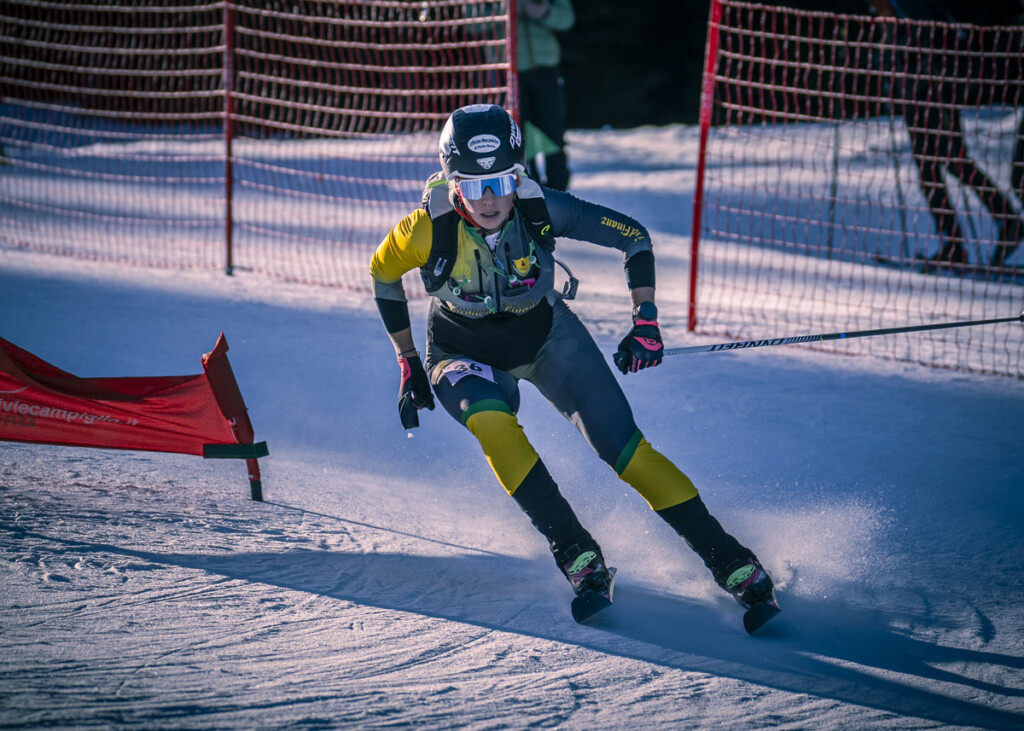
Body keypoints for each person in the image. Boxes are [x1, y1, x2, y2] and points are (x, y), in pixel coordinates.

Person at [369, 103, 776, 614]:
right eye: (474, 187)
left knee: (624, 449)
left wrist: (645, 319)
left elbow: (633, 237)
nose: (491, 200)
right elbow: (383, 273)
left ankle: (731, 560)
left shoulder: (544, 206)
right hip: (461, 349)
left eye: (502, 181)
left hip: (546, 334)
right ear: (453, 183)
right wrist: (408, 361)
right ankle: (577, 553)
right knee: (493, 425)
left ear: (518, 174)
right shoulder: (424, 229)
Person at [868, 0, 1023, 270]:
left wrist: (920, 77)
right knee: (932, 170)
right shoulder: (897, 11)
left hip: (933, 95)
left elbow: (932, 45)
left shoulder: (912, 8)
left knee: (954, 161)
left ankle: (1004, 222)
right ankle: (957, 243)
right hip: (917, 97)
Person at [517, 0, 574, 191]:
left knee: (553, 131)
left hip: (546, 69)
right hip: (508, 73)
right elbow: (472, 23)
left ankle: (559, 192)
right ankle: (525, 192)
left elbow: (567, 19)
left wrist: (543, 12)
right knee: (517, 137)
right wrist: (505, 11)